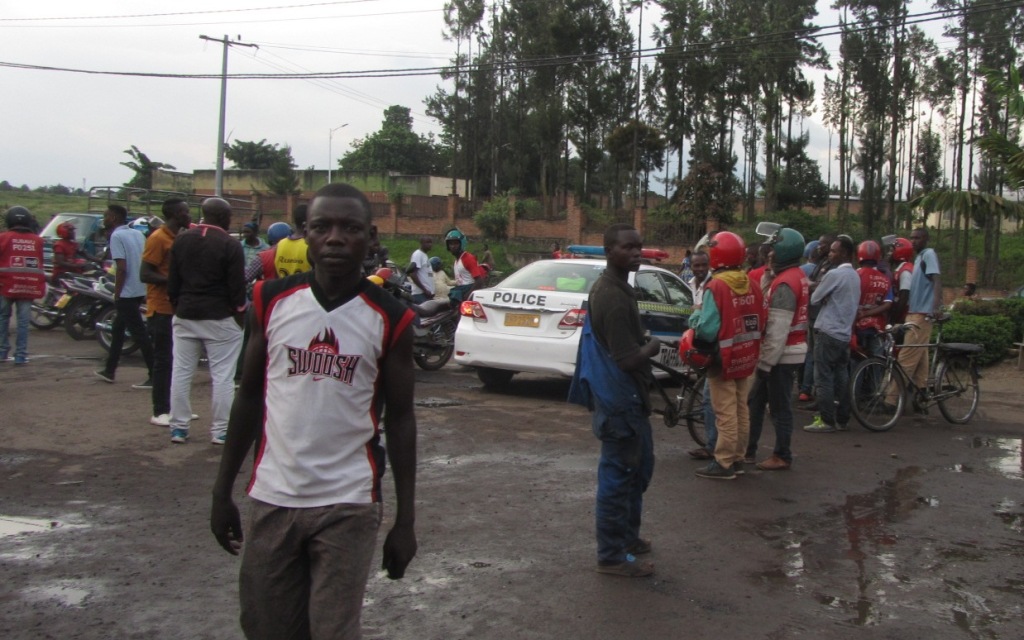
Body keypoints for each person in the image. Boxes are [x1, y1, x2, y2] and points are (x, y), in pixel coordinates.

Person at [210, 183, 418, 638]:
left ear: (371, 236)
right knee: (266, 626)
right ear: (305, 233)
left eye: (351, 228)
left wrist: (406, 520)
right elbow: (249, 396)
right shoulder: (270, 302)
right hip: (273, 497)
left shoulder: (391, 317)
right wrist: (222, 489)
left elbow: (401, 419)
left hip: (349, 502)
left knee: (332, 630)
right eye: (322, 227)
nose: (336, 238)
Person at [568, 223, 660, 577]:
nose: (636, 252)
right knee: (620, 475)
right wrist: (651, 347)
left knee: (638, 469)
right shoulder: (613, 297)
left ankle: (627, 538)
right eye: (627, 247)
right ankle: (612, 556)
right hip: (620, 401)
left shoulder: (617, 288)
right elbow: (627, 359)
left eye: (639, 246)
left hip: (626, 400)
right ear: (609, 251)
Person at [167, 197, 247, 445]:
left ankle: (178, 428)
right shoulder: (230, 244)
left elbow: (173, 280)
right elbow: (237, 287)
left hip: (186, 313)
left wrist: (177, 304)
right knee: (223, 376)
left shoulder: (181, 239)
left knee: (181, 372)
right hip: (219, 316)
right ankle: (220, 431)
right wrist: (239, 312)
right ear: (224, 217)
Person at [689, 231, 764, 479]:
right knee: (742, 409)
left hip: (723, 359)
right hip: (748, 356)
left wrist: (695, 316)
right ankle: (738, 458)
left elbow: (707, 329)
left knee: (725, 412)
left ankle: (723, 462)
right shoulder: (752, 282)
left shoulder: (717, 286)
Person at [746, 228, 809, 471]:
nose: (769, 254)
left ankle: (782, 455)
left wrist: (764, 365)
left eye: (773, 249)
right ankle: (749, 450)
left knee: (780, 407)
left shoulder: (785, 284)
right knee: (756, 402)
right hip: (784, 353)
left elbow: (777, 330)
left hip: (781, 355)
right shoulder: (793, 275)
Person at [140, 197, 192, 427]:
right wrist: (173, 281)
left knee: (178, 361)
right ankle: (160, 409)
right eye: (184, 212)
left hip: (176, 307)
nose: (188, 215)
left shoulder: (180, 238)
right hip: (161, 308)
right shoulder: (158, 239)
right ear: (174, 215)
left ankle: (177, 408)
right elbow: (145, 273)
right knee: (163, 360)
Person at [803, 237, 860, 433]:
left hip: (827, 331)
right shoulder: (855, 276)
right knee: (842, 376)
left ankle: (826, 420)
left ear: (845, 253)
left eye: (834, 251)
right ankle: (842, 419)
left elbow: (816, 298)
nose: (830, 254)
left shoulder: (834, 274)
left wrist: (819, 290)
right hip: (843, 334)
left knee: (823, 377)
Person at [94, 205, 155, 386]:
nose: (104, 219)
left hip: (127, 292)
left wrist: (117, 294)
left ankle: (154, 373)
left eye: (105, 216)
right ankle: (109, 370)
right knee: (118, 329)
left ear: (113, 218)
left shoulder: (116, 236)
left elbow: (121, 268)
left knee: (139, 334)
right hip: (139, 289)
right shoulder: (137, 234)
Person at [898, 227, 943, 403]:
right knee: (921, 358)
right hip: (914, 313)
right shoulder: (918, 258)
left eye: (917, 238)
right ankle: (921, 395)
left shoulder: (928, 254)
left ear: (926, 239)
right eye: (912, 238)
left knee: (906, 358)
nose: (913, 241)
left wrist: (936, 307)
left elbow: (936, 279)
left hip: (922, 314)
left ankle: (891, 400)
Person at [0, 206, 45, 364]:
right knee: (23, 322)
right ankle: (20, 355)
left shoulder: (3, 238)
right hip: (29, 286)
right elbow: (40, 264)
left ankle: (2, 351)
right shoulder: (38, 240)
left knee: (3, 318)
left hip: (6, 285)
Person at [684, 250, 718, 462]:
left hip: (709, 343)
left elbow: (706, 319)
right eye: (696, 265)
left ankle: (712, 446)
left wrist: (696, 314)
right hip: (694, 339)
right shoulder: (690, 283)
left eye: (703, 265)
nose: (699, 269)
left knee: (709, 398)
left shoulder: (714, 285)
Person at [797, 234, 836, 404]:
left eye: (823, 244)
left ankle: (820, 398)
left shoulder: (833, 268)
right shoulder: (822, 264)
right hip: (813, 316)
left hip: (823, 319)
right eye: (818, 244)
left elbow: (820, 289)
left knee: (819, 359)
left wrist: (811, 285)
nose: (819, 247)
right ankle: (809, 391)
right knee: (813, 355)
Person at [853, 240, 893, 361]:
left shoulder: (855, 275)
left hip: (856, 326)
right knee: (877, 362)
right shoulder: (884, 279)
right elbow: (888, 304)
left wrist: (862, 314)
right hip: (877, 327)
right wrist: (868, 313)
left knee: (856, 363)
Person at [445, 228, 486, 302]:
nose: (453, 246)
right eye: (451, 244)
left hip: (468, 293)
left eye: (455, 243)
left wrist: (467, 296)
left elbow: (479, 281)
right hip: (461, 291)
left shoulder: (467, 258)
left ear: (461, 244)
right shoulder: (457, 261)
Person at [274, 204, 311, 277]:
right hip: (304, 287)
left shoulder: (280, 244)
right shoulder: (310, 245)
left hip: (283, 287)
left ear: (294, 220)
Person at [886, 237, 914, 325]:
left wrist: (894, 319)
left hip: (904, 318)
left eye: (891, 251)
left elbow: (904, 297)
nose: (888, 254)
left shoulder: (905, 271)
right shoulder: (901, 269)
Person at [407, 235, 435, 304]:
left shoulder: (424, 255)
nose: (430, 244)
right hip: (420, 294)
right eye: (427, 242)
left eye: (431, 242)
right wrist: (425, 290)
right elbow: (413, 274)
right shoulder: (418, 254)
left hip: (426, 295)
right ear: (421, 243)